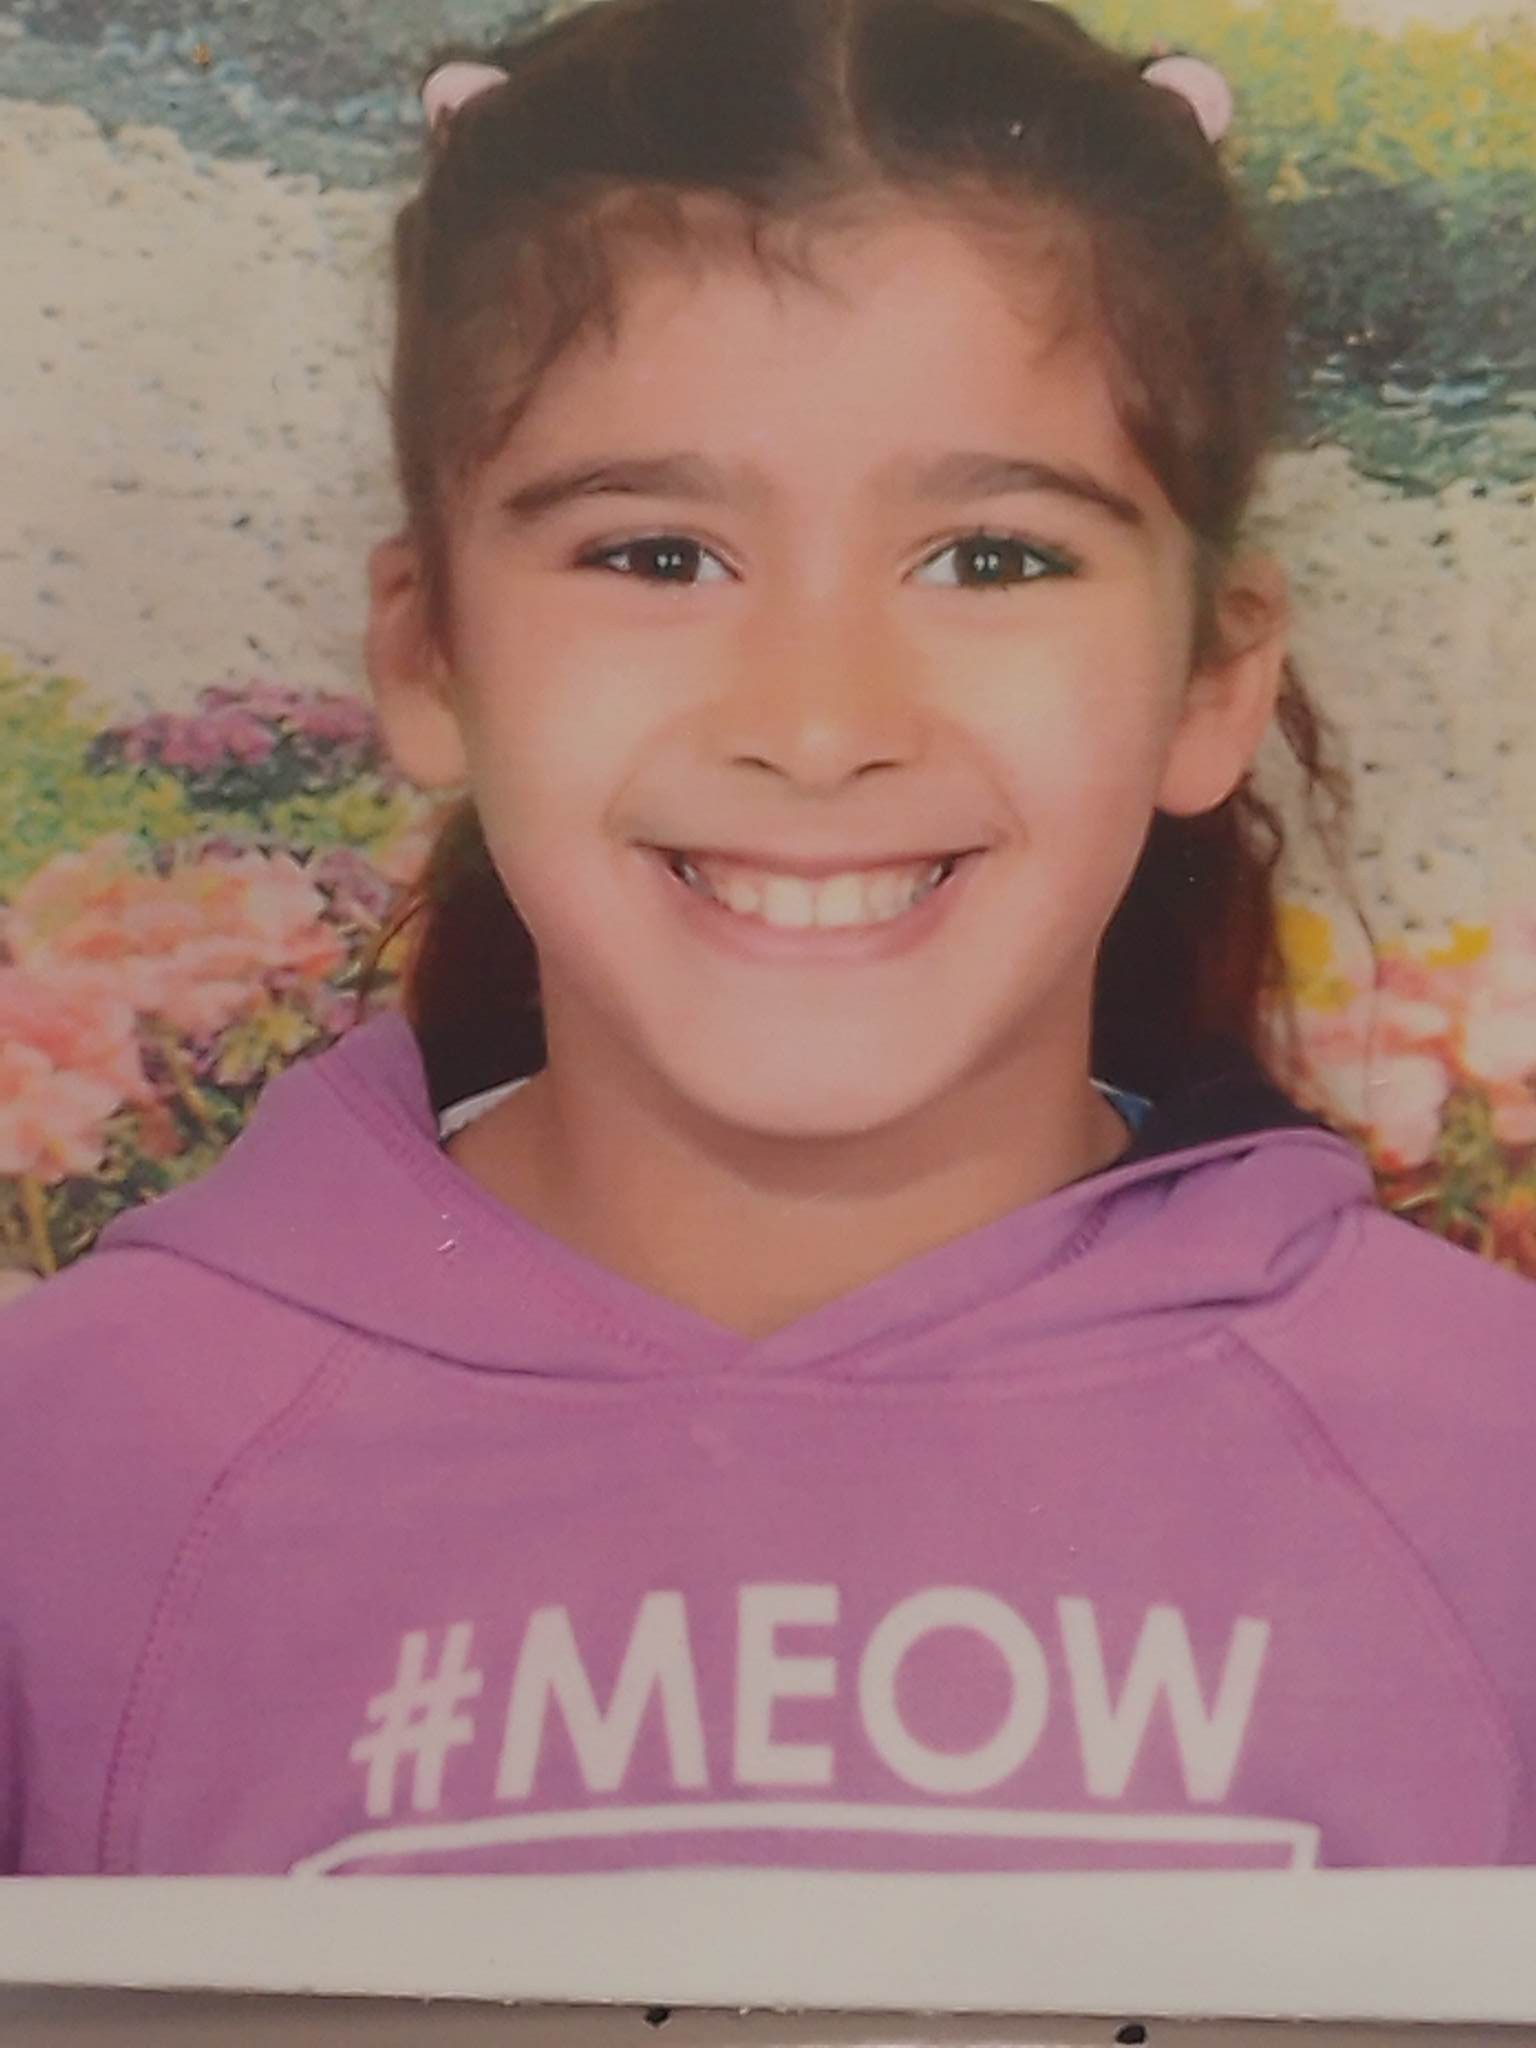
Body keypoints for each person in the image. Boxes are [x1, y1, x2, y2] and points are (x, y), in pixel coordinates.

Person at [2, 0, 1534, 1880]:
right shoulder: (68, 1475)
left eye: (993, 558)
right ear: (431, 654)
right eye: (657, 555)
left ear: (1212, 680)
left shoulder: (1490, 1473)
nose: (817, 725)